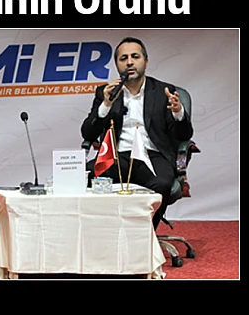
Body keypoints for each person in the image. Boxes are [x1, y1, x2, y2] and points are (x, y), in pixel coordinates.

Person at [81, 37, 194, 230]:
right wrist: (106, 104)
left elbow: (184, 136)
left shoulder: (163, 91)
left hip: (152, 155)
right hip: (116, 157)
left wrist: (178, 112)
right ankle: (104, 233)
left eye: (135, 56)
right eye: (123, 58)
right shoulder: (106, 92)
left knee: (162, 183)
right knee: (83, 180)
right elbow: (88, 133)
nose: (129, 62)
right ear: (117, 65)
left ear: (146, 61)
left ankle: (145, 235)